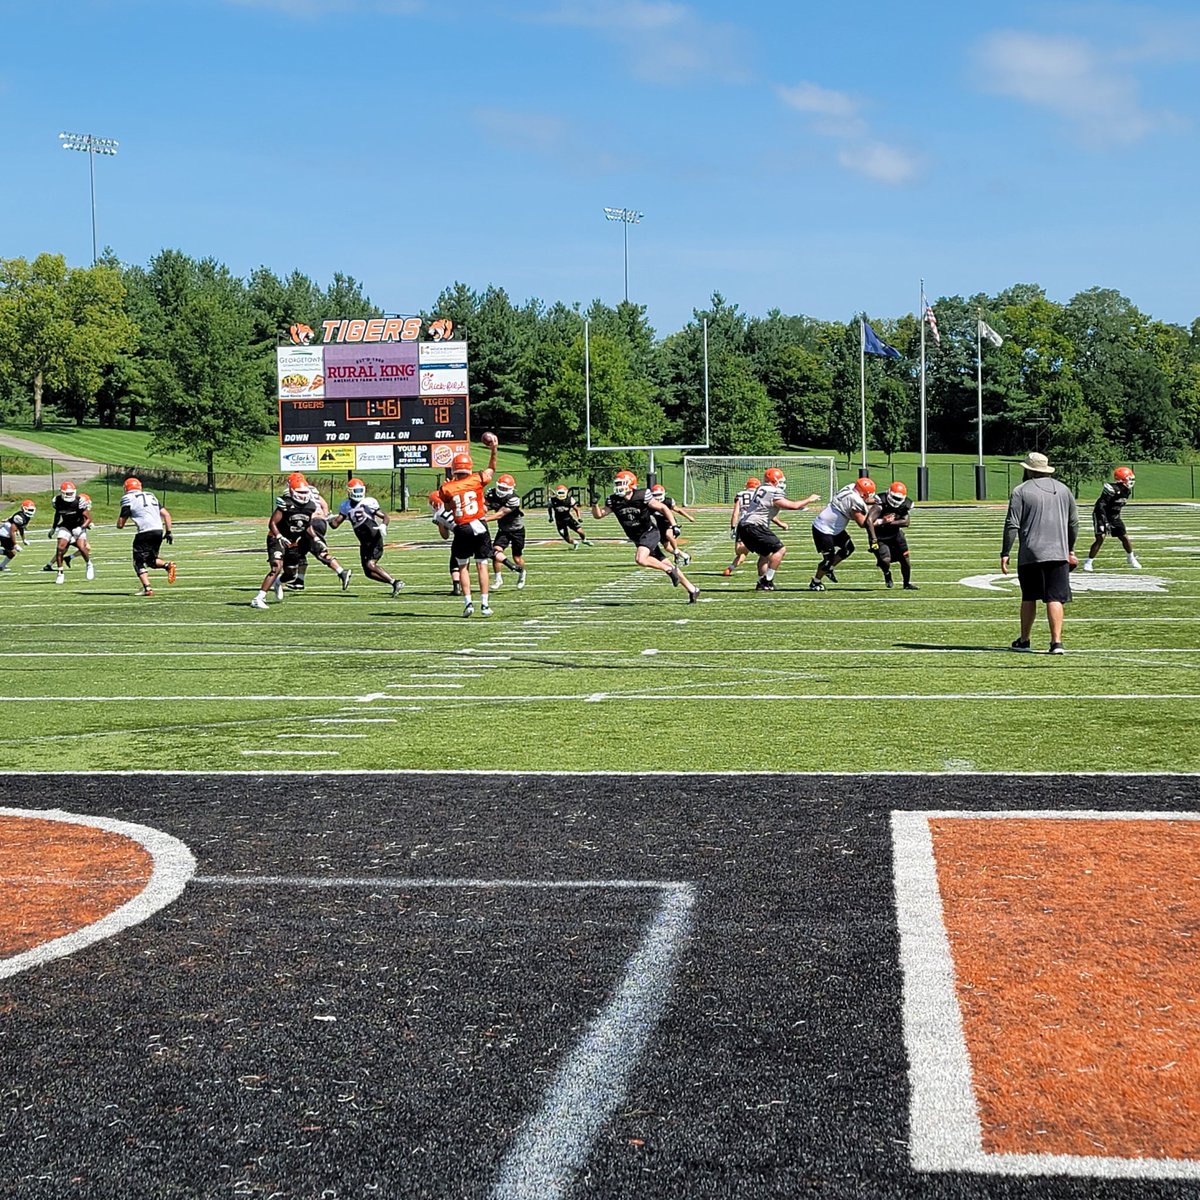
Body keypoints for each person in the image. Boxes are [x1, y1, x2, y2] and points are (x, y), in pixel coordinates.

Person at [1000, 451, 1079, 655]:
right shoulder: (1063, 490)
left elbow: (1012, 524)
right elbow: (1074, 523)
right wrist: (1070, 548)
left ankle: (1025, 639)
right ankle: (1056, 642)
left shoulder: (1020, 491)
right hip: (1059, 553)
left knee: (1029, 597)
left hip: (1031, 553)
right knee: (1055, 598)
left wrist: (1005, 551)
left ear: (1028, 470)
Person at [591, 469, 700, 603]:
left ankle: (669, 571)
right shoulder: (614, 500)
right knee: (665, 562)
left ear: (630, 483)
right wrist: (594, 504)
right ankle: (692, 589)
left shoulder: (642, 495)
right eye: (617, 484)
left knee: (640, 559)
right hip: (637, 537)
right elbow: (599, 515)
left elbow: (663, 508)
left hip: (649, 532)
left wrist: (674, 525)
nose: (618, 487)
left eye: (621, 483)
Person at [250, 473, 350, 609]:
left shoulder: (310, 506)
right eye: (300, 492)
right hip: (277, 537)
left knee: (291, 573)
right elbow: (272, 523)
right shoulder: (286, 503)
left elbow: (307, 524)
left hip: (293, 540)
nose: (303, 495)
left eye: (304, 492)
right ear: (292, 491)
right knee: (276, 567)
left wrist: (315, 538)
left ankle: (278, 582)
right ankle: (259, 598)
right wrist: (279, 536)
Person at [733, 467, 821, 591]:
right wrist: (809, 499)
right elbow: (793, 506)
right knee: (780, 550)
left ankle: (761, 583)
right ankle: (767, 580)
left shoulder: (761, 488)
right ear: (774, 480)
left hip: (744, 525)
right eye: (780, 480)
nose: (782, 483)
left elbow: (771, 507)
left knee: (764, 555)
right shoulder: (772, 492)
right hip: (755, 526)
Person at [439, 435, 499, 617]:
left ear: (454, 470)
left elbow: (448, 506)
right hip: (480, 525)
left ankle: (468, 604)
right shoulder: (478, 479)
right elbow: (491, 469)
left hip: (463, 527)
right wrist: (494, 450)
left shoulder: (446, 488)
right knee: (482, 565)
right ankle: (485, 605)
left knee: (463, 566)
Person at [327, 478, 403, 597]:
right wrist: (328, 519)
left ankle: (395, 582)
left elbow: (385, 516)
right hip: (364, 542)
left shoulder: (368, 502)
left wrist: (384, 525)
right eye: (355, 490)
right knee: (368, 573)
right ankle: (393, 583)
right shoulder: (345, 505)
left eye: (359, 490)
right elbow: (335, 525)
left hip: (374, 539)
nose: (357, 493)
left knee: (370, 564)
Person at [808, 478, 879, 591]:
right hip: (823, 529)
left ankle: (830, 569)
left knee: (848, 548)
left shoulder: (851, 487)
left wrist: (871, 501)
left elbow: (857, 499)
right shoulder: (856, 500)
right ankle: (815, 582)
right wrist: (883, 520)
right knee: (828, 559)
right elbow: (862, 523)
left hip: (834, 527)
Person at [115, 477, 176, 596]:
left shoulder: (128, 498)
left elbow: (120, 524)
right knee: (150, 560)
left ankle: (148, 589)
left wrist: (119, 524)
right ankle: (168, 566)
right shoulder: (151, 495)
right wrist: (168, 532)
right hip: (158, 530)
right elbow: (166, 515)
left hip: (144, 532)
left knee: (138, 562)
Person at [1082, 467, 1141, 571]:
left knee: (1124, 537)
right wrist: (1105, 522)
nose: (1131, 481)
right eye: (1129, 478)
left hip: (1114, 516)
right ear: (1123, 479)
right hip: (1101, 514)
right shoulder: (1112, 489)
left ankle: (1131, 558)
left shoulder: (1126, 491)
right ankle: (1088, 562)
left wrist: (1114, 520)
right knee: (1101, 537)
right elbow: (1101, 506)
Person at [868, 481, 918, 590]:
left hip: (895, 535)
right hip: (879, 536)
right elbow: (869, 520)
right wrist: (873, 539)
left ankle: (906, 583)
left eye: (899, 499)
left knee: (905, 560)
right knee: (885, 561)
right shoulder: (881, 501)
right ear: (889, 494)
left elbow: (906, 522)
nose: (896, 501)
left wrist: (889, 522)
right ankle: (887, 573)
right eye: (895, 497)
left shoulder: (905, 504)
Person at [485, 474, 528, 589]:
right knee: (496, 552)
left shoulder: (513, 499)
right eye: (501, 488)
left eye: (505, 489)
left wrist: (483, 520)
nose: (502, 491)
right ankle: (498, 579)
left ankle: (522, 573)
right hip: (503, 530)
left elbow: (500, 514)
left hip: (517, 530)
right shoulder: (491, 493)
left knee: (517, 557)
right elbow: (484, 506)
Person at [47, 481, 95, 584]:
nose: (69, 495)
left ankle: (89, 564)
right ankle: (60, 573)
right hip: (66, 526)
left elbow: (88, 519)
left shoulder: (79, 501)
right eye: (67, 493)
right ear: (62, 493)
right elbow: (57, 515)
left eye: (71, 493)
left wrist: (81, 528)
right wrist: (53, 528)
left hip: (78, 526)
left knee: (82, 547)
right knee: (60, 548)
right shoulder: (57, 501)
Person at [648, 483, 696, 565]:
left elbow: (678, 510)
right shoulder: (651, 505)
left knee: (669, 535)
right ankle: (685, 556)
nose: (657, 497)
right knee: (667, 547)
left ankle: (676, 550)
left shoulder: (668, 501)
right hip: (660, 525)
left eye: (659, 494)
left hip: (670, 522)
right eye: (655, 495)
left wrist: (689, 517)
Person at [429, 490, 461, 594]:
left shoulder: (438, 515)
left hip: (460, 534)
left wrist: (439, 524)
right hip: (473, 527)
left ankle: (457, 587)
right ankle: (510, 565)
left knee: (455, 561)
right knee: (488, 554)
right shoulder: (453, 503)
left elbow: (445, 536)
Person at [0, 500, 36, 572]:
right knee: (12, 553)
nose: (31, 511)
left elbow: (21, 528)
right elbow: (12, 531)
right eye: (30, 510)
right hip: (5, 534)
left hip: (6, 534)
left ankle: (1, 566)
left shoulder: (26, 517)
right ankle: (1, 566)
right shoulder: (19, 517)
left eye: (32, 510)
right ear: (24, 509)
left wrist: (24, 539)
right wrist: (15, 544)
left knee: (10, 553)